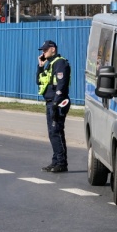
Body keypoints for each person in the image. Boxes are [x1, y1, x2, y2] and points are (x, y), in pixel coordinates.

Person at [36, 40, 71, 172]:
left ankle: (61, 163)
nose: (43, 53)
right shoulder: (49, 65)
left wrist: (56, 103)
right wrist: (40, 66)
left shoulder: (60, 63)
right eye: (43, 51)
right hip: (50, 102)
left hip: (57, 103)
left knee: (56, 132)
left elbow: (61, 85)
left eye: (45, 50)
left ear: (53, 49)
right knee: (52, 133)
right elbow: (38, 81)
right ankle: (56, 161)